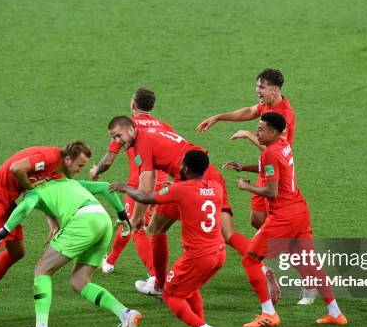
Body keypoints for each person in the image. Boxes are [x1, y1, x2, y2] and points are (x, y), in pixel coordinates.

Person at [108, 115, 256, 301]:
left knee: (155, 228)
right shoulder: (151, 134)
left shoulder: (142, 144)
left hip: (190, 179)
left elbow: (145, 188)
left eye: (118, 136)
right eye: (113, 138)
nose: (117, 141)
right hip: (210, 174)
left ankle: (160, 285)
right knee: (227, 233)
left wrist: (137, 219)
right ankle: (261, 266)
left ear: (131, 130)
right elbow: (152, 177)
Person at [0, 173, 141, 327]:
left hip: (83, 222)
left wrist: (2, 233)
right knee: (79, 281)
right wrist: (122, 217)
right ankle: (125, 314)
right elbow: (106, 187)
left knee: (42, 270)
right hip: (103, 221)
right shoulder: (67, 181)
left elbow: (23, 209)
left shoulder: (35, 192)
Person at [224, 112, 347, 327]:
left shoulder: (270, 153)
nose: (257, 132)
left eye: (261, 129)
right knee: (311, 264)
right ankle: (336, 313)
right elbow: (274, 169)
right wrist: (243, 166)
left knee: (250, 260)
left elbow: (271, 192)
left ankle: (269, 314)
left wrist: (248, 187)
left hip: (283, 216)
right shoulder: (283, 144)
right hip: (300, 210)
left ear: (272, 132)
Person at [0, 141, 92, 327]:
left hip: (7, 203)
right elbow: (17, 169)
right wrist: (28, 184)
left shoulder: (56, 172)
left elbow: (40, 196)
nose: (80, 171)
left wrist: (53, 223)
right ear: (67, 159)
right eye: (79, 166)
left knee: (17, 251)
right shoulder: (50, 157)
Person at [197, 68, 297, 303]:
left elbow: (271, 148)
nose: (258, 91)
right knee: (257, 220)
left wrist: (247, 134)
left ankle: (301, 270)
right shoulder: (268, 106)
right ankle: (272, 259)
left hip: (277, 173)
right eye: (257, 86)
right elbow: (251, 111)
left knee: (275, 226)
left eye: (262, 87)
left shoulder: (284, 115)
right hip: (266, 169)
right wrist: (219, 117)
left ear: (275, 89)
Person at [111, 150, 223, 327]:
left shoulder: (181, 190)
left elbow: (146, 196)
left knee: (171, 295)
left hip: (198, 256)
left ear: (186, 169)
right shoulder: (216, 188)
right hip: (218, 253)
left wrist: (125, 187)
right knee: (190, 289)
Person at [90, 88, 169, 276]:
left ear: (133, 103)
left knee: (137, 227)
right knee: (132, 223)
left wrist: (96, 170)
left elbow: (109, 159)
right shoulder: (163, 126)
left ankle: (155, 276)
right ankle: (110, 261)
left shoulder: (127, 127)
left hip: (139, 183)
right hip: (162, 183)